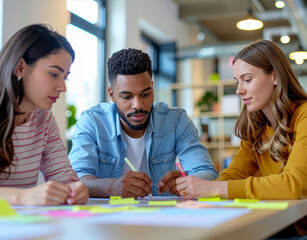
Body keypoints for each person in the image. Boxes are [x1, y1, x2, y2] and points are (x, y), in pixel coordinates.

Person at [176, 40, 307, 236]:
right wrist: (201, 189)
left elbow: (293, 184)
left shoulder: (304, 115)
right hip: (282, 224)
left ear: (274, 76)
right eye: (238, 82)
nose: (239, 90)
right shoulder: (257, 125)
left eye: (247, 80)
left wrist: (214, 188)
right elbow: (235, 173)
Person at [69, 48, 218, 199]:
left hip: (162, 215)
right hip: (107, 215)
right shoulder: (93, 122)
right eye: (127, 97)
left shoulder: (175, 120)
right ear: (112, 94)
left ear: (152, 87)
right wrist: (112, 187)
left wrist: (189, 182)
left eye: (145, 94)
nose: (138, 105)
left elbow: (207, 172)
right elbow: (76, 179)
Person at [0, 24, 89, 206]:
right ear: (20, 68)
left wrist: (73, 190)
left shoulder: (43, 120)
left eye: (65, 77)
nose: (62, 88)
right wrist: (21, 197)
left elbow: (64, 177)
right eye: (54, 74)